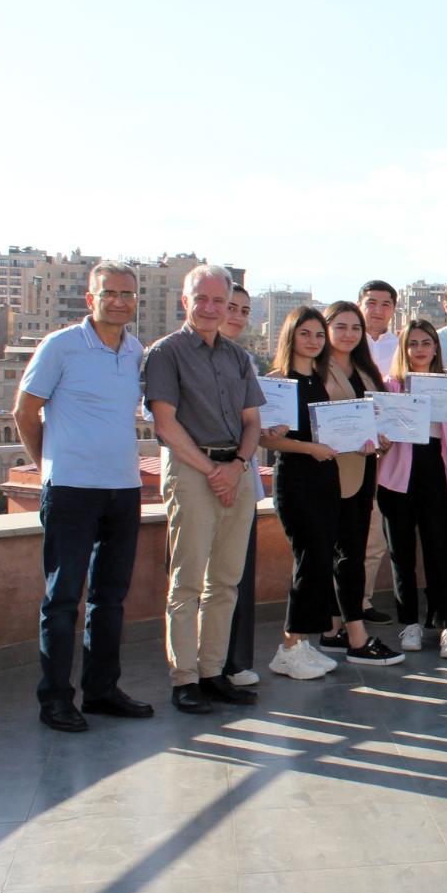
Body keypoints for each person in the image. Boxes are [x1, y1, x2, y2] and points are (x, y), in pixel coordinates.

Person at [14, 260, 154, 732]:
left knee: (109, 598)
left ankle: (101, 691)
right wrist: (49, 465)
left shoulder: (134, 351)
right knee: (62, 598)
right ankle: (55, 699)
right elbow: (25, 411)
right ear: (90, 299)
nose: (119, 301)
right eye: (109, 293)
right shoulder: (61, 346)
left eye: (127, 294)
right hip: (71, 491)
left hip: (123, 489)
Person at [143, 264, 263, 714]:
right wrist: (214, 471)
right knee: (188, 581)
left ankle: (213, 673)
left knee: (226, 580)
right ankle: (185, 679)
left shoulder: (237, 357)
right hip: (193, 470)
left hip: (235, 468)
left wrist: (236, 466)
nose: (211, 309)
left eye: (220, 301)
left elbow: (252, 421)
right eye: (202, 299)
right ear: (185, 301)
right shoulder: (166, 353)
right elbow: (165, 424)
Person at [260, 307, 400, 678]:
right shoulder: (278, 382)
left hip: (328, 479)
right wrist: (311, 448)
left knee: (320, 562)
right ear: (290, 336)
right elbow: (268, 439)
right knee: (310, 563)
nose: (313, 341)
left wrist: (369, 438)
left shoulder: (318, 382)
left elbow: (343, 425)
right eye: (306, 334)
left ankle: (301, 645)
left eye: (318, 335)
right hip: (299, 480)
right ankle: (290, 647)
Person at [309, 301, 404, 665]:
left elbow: (379, 418)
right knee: (339, 557)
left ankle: (334, 629)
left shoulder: (365, 370)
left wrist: (383, 438)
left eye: (355, 328)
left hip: (362, 473)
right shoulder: (314, 369)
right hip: (325, 474)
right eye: (340, 326)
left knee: (350, 554)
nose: (349, 334)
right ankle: (357, 637)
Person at [379, 319, 447, 657]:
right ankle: (409, 624)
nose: (419, 349)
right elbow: (379, 431)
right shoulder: (390, 385)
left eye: (426, 342)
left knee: (439, 550)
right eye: (412, 343)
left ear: (435, 347)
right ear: (404, 348)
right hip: (395, 476)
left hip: (434, 469)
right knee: (401, 553)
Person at [218, 284, 274, 687]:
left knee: (239, 575)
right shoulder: (174, 354)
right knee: (205, 580)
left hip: (243, 479)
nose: (236, 316)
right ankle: (206, 666)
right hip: (204, 477)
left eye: (243, 310)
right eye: (230, 307)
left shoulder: (246, 361)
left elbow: (255, 422)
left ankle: (235, 662)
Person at [355, 280, 399, 626]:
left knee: (373, 538)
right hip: (344, 453)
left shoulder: (400, 347)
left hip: (385, 456)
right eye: (371, 303)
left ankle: (361, 601)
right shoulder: (343, 343)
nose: (378, 310)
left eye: (386, 304)